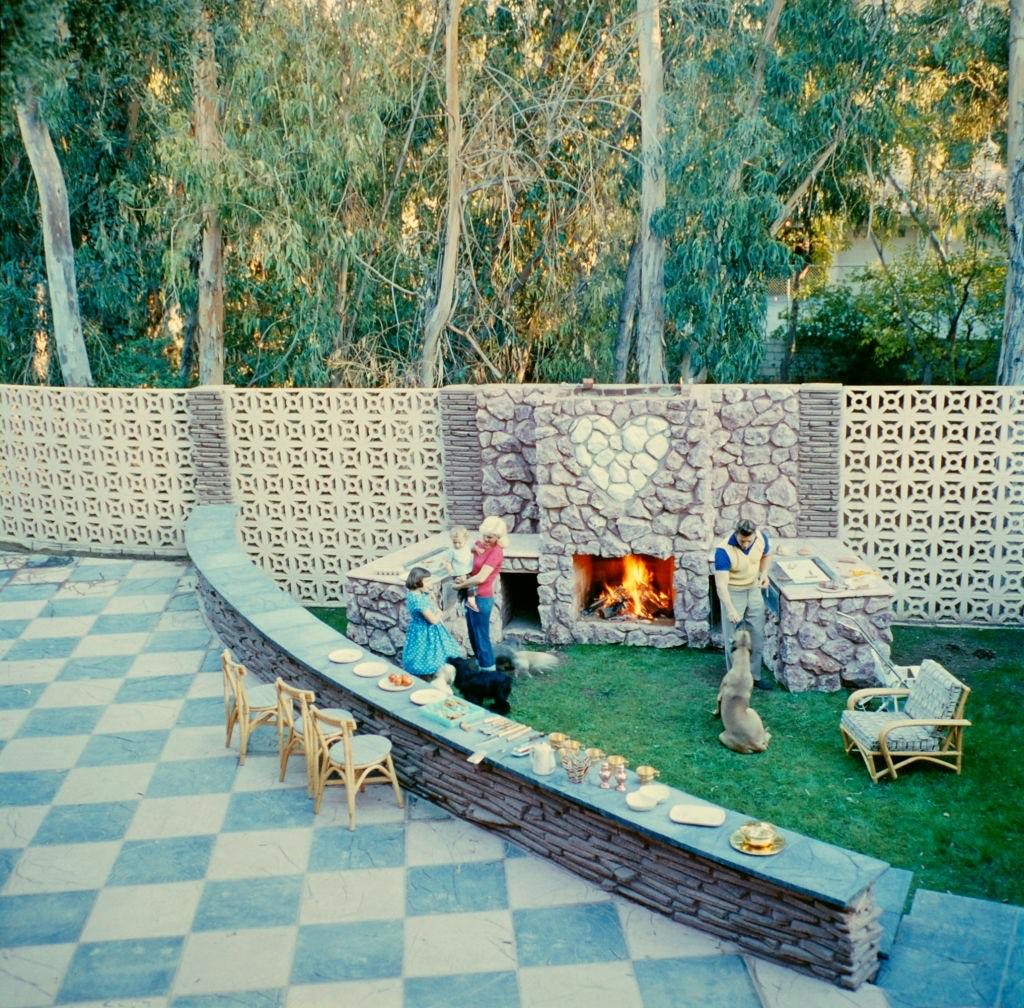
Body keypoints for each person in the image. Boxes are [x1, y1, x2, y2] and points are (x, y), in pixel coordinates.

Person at [714, 517, 773, 690]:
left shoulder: (761, 538)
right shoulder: (723, 550)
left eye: (749, 540)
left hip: (753, 589)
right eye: (742, 541)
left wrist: (764, 573)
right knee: (733, 637)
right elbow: (720, 585)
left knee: (757, 634)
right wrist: (730, 609)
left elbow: (767, 554)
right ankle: (735, 680)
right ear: (736, 534)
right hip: (732, 592)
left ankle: (754, 676)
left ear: (754, 535)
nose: (746, 544)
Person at [454, 515, 507, 675]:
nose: (485, 539)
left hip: (482, 598)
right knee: (472, 634)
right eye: (484, 535)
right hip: (470, 594)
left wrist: (460, 585)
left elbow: (481, 577)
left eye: (490, 537)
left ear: (498, 537)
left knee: (481, 635)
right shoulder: (478, 544)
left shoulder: (496, 552)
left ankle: (488, 672)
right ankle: (481, 666)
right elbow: (466, 556)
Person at [402, 566, 463, 679]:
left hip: (418, 629)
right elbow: (434, 620)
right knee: (430, 655)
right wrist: (439, 612)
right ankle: (433, 677)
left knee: (423, 656)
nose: (430, 584)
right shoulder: (418, 601)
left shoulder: (413, 594)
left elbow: (427, 601)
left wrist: (430, 596)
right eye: (427, 581)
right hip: (426, 631)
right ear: (417, 582)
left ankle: (431, 676)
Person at [444, 526, 478, 612]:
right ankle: (470, 601)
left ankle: (462, 602)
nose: (457, 545)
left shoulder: (467, 546)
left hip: (468, 571)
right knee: (468, 584)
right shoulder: (452, 551)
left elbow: (473, 548)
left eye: (459, 542)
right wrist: (450, 570)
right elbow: (447, 562)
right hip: (458, 573)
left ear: (465, 540)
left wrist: (478, 549)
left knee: (466, 587)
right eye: (454, 542)